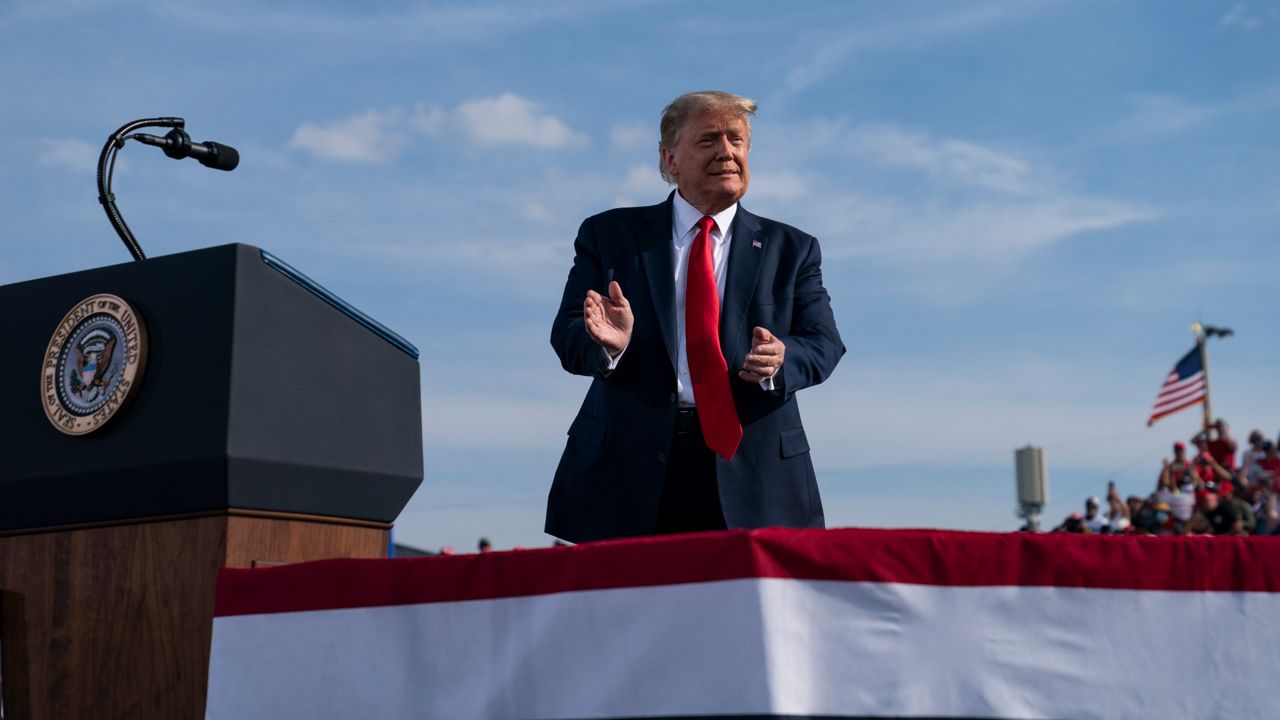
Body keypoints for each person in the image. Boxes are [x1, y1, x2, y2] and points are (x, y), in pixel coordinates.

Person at [546, 91, 845, 543]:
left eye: (736, 140)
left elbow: (824, 342)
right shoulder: (609, 236)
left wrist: (782, 359)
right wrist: (609, 347)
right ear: (670, 159)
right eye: (708, 140)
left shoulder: (793, 249)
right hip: (628, 474)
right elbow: (568, 334)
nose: (727, 152)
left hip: (755, 475)